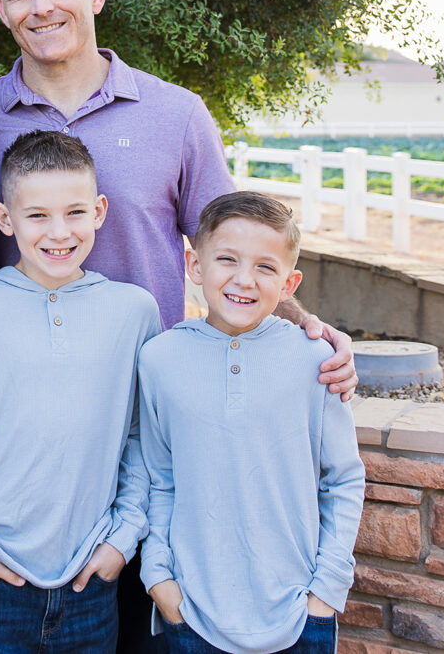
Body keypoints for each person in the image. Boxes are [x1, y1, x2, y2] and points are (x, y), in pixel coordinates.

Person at [0, 0, 359, 651]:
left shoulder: (176, 114)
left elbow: (237, 249)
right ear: (2, 10)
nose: (42, 6)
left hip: (157, 408)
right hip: (40, 433)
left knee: (140, 618)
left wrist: (308, 322)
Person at [0, 130, 160, 654]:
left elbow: (142, 439)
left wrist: (122, 540)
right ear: (5, 219)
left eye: (75, 212)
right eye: (37, 216)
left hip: (90, 582)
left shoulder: (135, 310)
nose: (59, 232)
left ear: (99, 210)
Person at [137, 192, 365, 654]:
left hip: (299, 615)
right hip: (191, 614)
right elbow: (159, 479)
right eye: (226, 260)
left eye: (265, 267)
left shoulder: (315, 360)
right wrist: (159, 578)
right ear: (195, 266)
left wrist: (325, 594)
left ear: (289, 282)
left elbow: (342, 478)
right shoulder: (159, 358)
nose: (244, 279)